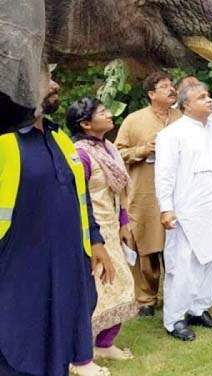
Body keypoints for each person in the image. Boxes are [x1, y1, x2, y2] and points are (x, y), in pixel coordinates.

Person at [0, 78, 114, 376]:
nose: (53, 83)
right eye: (41, 76)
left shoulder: (60, 137)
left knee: (57, 348)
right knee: (17, 349)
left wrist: (95, 239)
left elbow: (81, 194)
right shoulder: (3, 139)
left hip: (65, 268)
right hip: (17, 273)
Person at [155, 82, 212, 341]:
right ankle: (175, 318)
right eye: (201, 97)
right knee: (184, 264)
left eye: (208, 95)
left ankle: (198, 308)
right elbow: (164, 174)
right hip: (187, 210)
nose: (209, 99)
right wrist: (166, 208)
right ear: (186, 105)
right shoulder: (172, 134)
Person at [67, 98, 138, 371]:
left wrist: (123, 221)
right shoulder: (81, 154)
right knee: (93, 293)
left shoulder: (109, 148)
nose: (110, 114)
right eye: (101, 112)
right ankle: (81, 355)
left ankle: (105, 344)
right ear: (85, 124)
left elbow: (119, 191)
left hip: (112, 226)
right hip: (91, 231)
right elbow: (78, 198)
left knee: (120, 285)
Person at [115, 71, 181, 316]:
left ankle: (177, 296)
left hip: (177, 191)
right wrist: (144, 149)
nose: (171, 89)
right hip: (145, 190)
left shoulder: (182, 118)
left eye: (172, 85)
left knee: (176, 244)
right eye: (164, 86)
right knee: (146, 244)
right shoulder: (134, 120)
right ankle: (146, 299)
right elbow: (117, 153)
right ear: (151, 94)